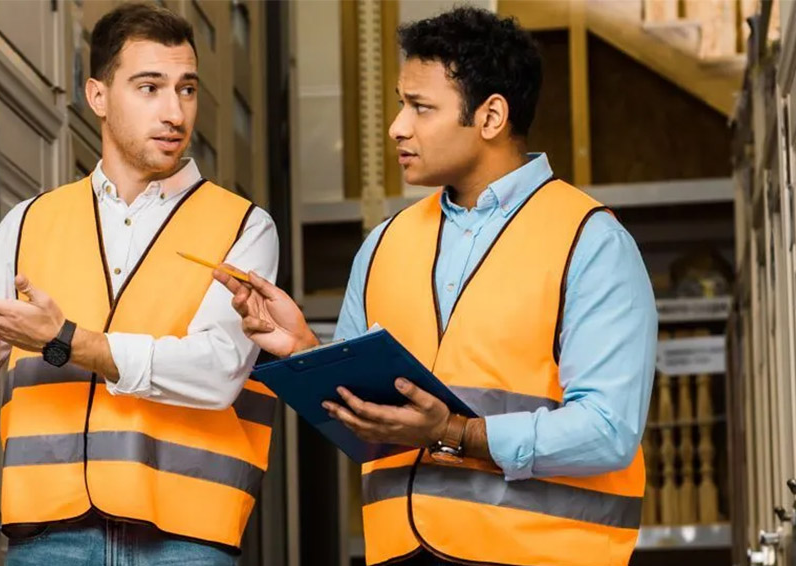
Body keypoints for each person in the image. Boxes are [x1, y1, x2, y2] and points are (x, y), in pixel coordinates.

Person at [214, 7, 658, 566]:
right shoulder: (383, 244)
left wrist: (457, 432)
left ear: (491, 115)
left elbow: (608, 430)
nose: (398, 126)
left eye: (421, 107)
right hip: (402, 551)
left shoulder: (590, 242)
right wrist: (305, 351)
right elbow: (364, 420)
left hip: (538, 554)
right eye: (402, 104)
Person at [0, 3, 280, 564]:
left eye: (186, 89)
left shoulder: (244, 225)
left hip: (186, 541)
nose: (175, 111)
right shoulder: (30, 221)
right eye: (149, 87)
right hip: (50, 538)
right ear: (98, 96)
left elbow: (216, 370)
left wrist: (67, 338)